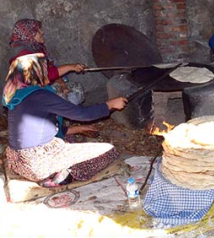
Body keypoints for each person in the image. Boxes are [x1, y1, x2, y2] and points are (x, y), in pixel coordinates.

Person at [2, 53, 128, 187]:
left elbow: (39, 127)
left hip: (18, 161)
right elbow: (83, 114)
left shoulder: (17, 95)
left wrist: (77, 129)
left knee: (70, 140)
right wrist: (110, 104)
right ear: (35, 72)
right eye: (44, 70)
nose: (47, 73)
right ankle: (63, 175)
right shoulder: (40, 96)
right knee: (108, 151)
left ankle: (57, 171)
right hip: (37, 163)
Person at [7, 19, 86, 105]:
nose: (42, 32)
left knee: (76, 90)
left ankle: (64, 114)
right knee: (66, 98)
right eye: (37, 30)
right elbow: (45, 76)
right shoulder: (23, 55)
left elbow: (50, 68)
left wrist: (63, 85)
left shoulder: (35, 48)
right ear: (29, 34)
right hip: (30, 95)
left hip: (43, 87)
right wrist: (71, 67)